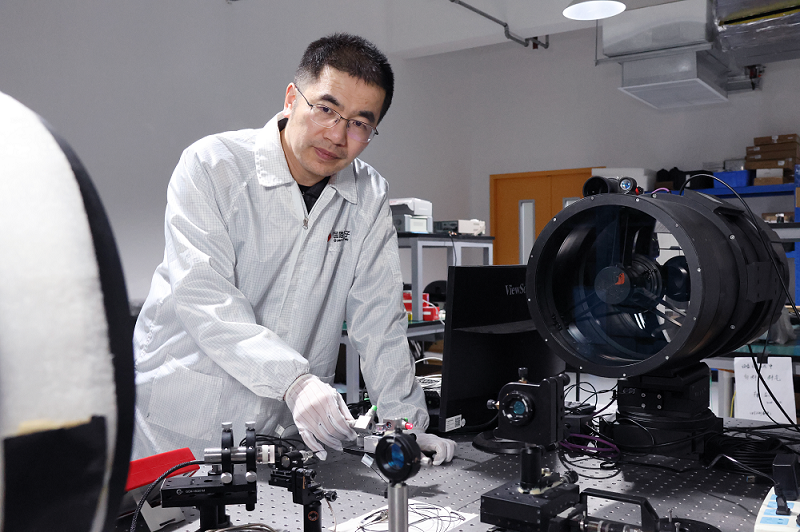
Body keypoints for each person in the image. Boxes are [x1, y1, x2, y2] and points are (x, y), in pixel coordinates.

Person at [132, 33, 456, 465]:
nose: (337, 135)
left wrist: (406, 428)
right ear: (291, 99)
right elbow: (205, 296)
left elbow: (380, 317)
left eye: (359, 124)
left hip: (282, 431)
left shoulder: (369, 193)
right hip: (184, 417)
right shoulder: (212, 165)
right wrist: (295, 381)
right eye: (326, 109)